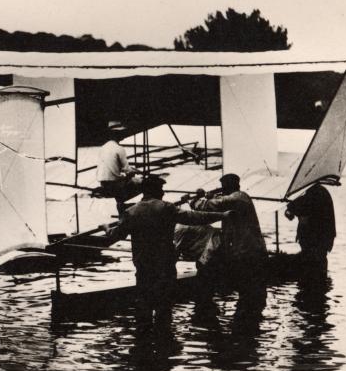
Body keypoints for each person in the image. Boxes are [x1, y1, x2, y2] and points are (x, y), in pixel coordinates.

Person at [103, 175, 228, 321]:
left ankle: (144, 339)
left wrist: (106, 228)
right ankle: (165, 339)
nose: (163, 193)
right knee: (164, 308)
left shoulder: (131, 212)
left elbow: (115, 235)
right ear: (154, 190)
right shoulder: (167, 208)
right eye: (161, 189)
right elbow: (195, 217)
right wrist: (222, 215)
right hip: (165, 266)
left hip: (144, 266)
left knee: (144, 306)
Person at [191, 173, 268, 314]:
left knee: (250, 290)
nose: (222, 189)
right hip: (245, 251)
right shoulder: (237, 198)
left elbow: (211, 205)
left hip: (249, 252)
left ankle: (247, 319)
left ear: (230, 186)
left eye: (224, 187)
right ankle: (247, 319)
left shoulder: (239, 198)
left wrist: (197, 199)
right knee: (248, 290)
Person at [285, 183, 336, 279]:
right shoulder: (320, 193)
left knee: (311, 271)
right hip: (322, 243)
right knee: (318, 270)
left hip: (315, 243)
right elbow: (292, 210)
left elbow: (291, 211)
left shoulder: (313, 195)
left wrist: (292, 211)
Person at [96, 121, 143, 213]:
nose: (123, 135)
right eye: (121, 133)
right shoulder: (119, 148)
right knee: (143, 183)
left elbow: (111, 166)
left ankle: (121, 204)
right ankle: (131, 206)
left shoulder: (103, 148)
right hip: (114, 185)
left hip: (103, 183)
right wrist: (136, 171)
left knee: (126, 179)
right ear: (116, 134)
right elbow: (127, 170)